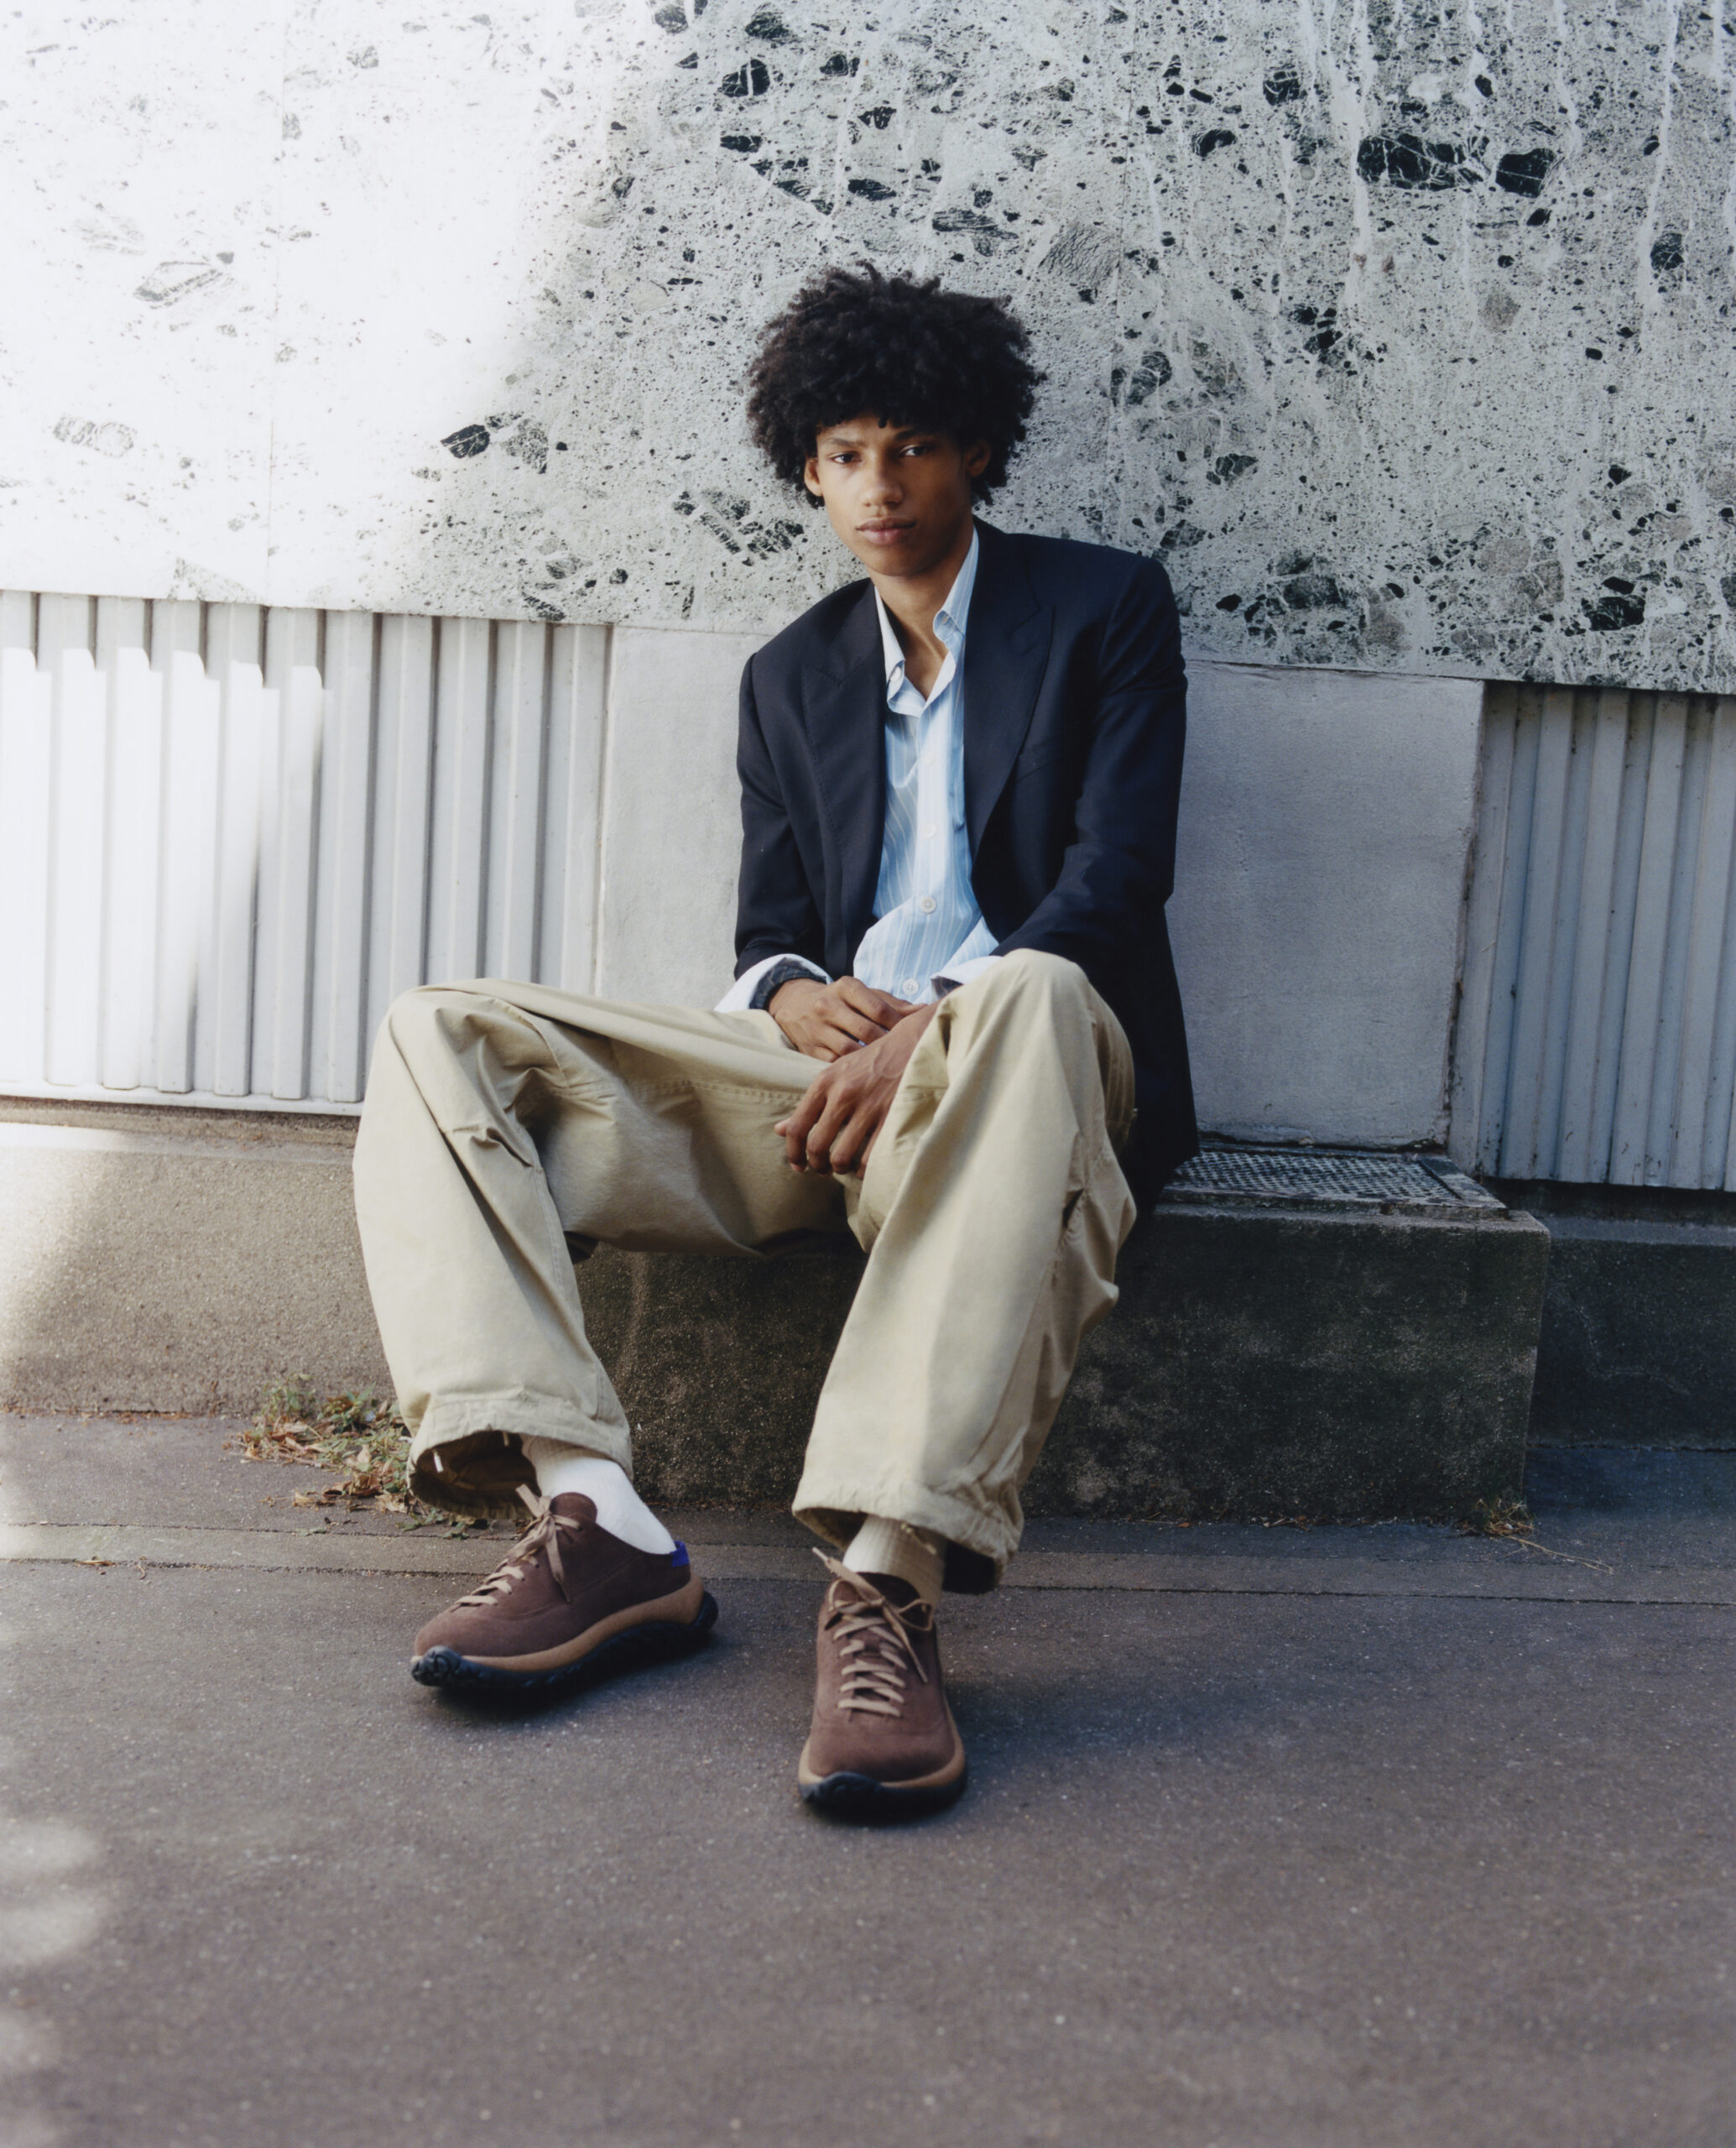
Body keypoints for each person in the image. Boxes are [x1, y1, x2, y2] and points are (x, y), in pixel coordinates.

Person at [352, 262, 1195, 1816]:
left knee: (1027, 990)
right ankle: (595, 1519)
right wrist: (796, 990)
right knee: (439, 1028)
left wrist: (935, 1021)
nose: (880, 487)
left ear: (976, 450)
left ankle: (888, 1580)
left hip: (1020, 1070)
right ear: (805, 467)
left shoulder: (1102, 608)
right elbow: (771, 929)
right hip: (818, 1089)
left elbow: (1116, 879)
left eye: (913, 447)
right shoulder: (789, 674)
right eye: (845, 454)